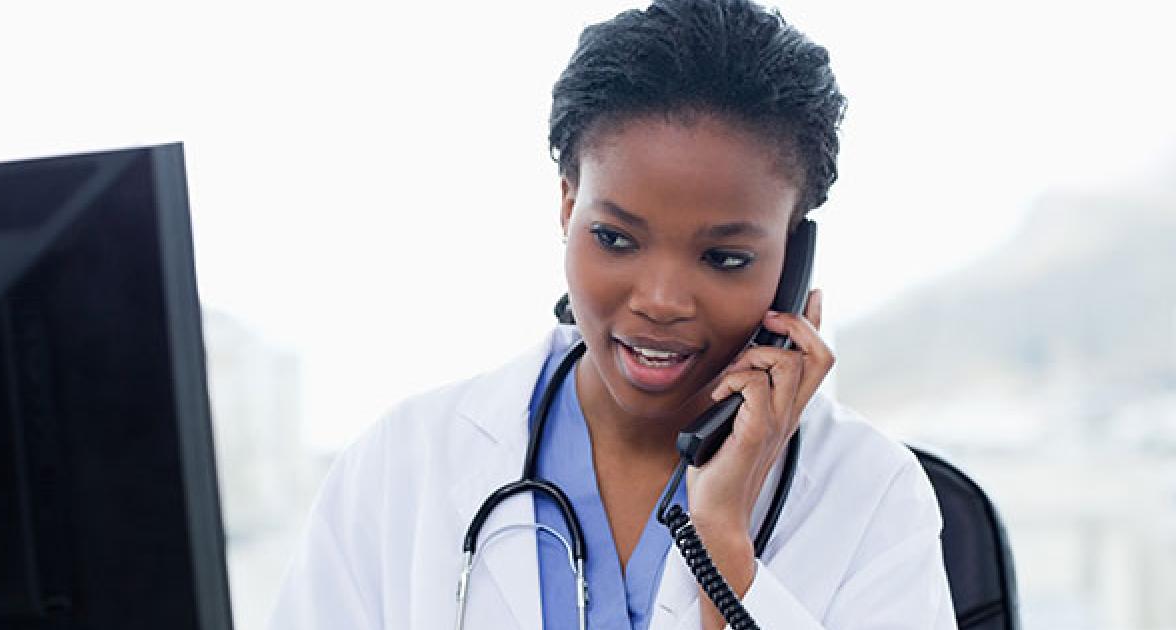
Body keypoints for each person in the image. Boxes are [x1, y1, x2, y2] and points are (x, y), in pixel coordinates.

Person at [269, 1, 956, 628]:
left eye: (724, 258)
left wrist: (723, 545)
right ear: (568, 208)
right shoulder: (404, 463)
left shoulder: (873, 496)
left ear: (793, 260)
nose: (661, 300)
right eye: (616, 239)